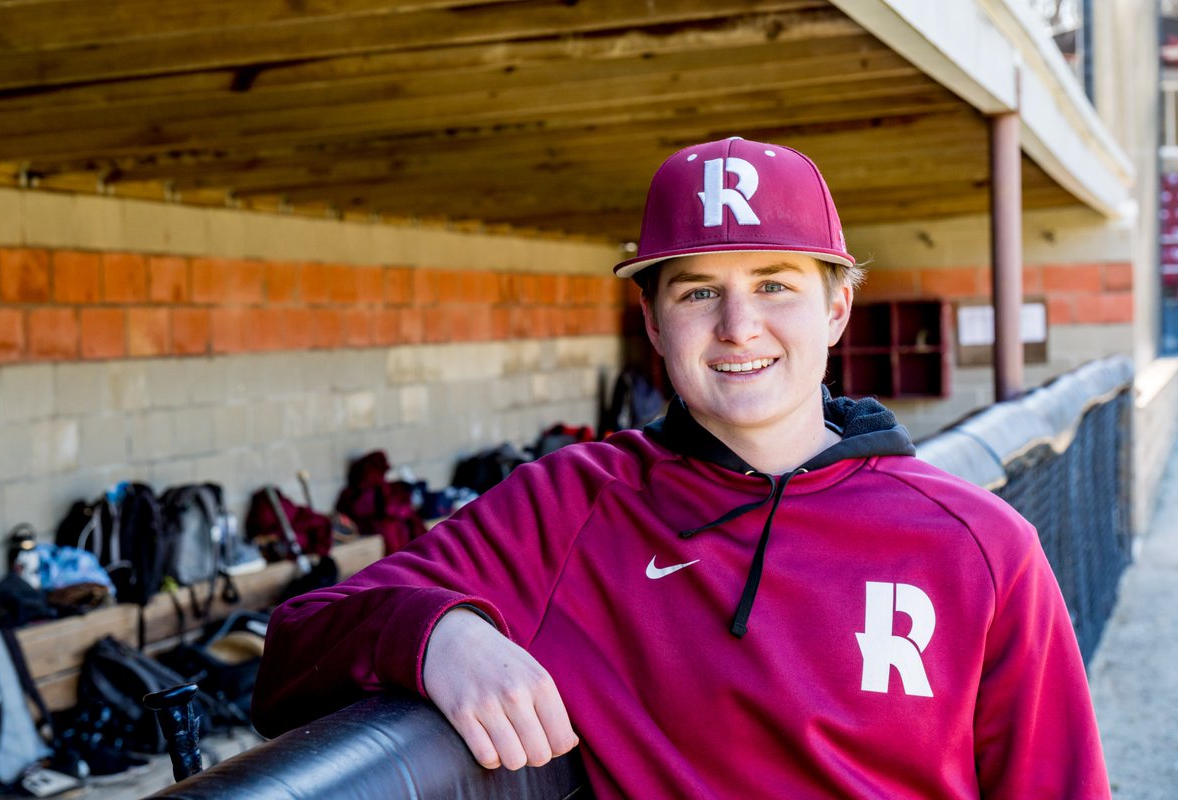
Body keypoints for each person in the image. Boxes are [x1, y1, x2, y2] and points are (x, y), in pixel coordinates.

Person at [253, 137, 1111, 798]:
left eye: (775, 284)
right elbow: (294, 644)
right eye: (698, 291)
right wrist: (436, 632)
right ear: (654, 323)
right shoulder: (575, 502)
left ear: (839, 307)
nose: (738, 325)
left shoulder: (981, 544)